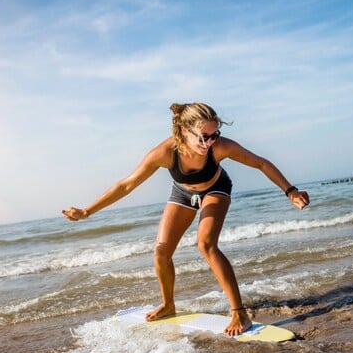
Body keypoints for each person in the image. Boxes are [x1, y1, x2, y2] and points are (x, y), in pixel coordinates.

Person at [62, 102, 310, 336]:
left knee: (206, 244)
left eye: (215, 134)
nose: (210, 141)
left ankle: (239, 313)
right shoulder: (164, 153)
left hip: (215, 189)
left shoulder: (220, 147)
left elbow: (261, 163)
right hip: (183, 193)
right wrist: (87, 211)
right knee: (161, 251)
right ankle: (168, 305)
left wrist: (290, 191)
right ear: (183, 130)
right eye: (204, 136)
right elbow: (126, 185)